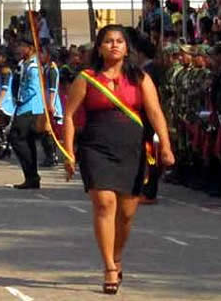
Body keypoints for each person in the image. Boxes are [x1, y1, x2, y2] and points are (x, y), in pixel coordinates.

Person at [63, 25, 175, 295]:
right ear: (99, 48)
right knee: (104, 202)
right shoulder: (86, 78)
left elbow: (156, 112)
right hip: (95, 148)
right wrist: (69, 151)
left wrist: (166, 146)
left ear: (127, 48)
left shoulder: (140, 78)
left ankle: (116, 255)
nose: (114, 45)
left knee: (126, 214)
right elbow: (69, 115)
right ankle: (109, 268)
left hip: (132, 150)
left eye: (119, 42)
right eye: (108, 41)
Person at [9, 35, 45, 189]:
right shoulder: (25, 63)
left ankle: (32, 174)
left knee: (16, 137)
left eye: (22, 46)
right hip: (24, 106)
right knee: (27, 141)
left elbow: (33, 87)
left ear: (30, 49)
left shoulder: (34, 66)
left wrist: (20, 98)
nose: (19, 49)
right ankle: (31, 176)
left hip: (30, 106)